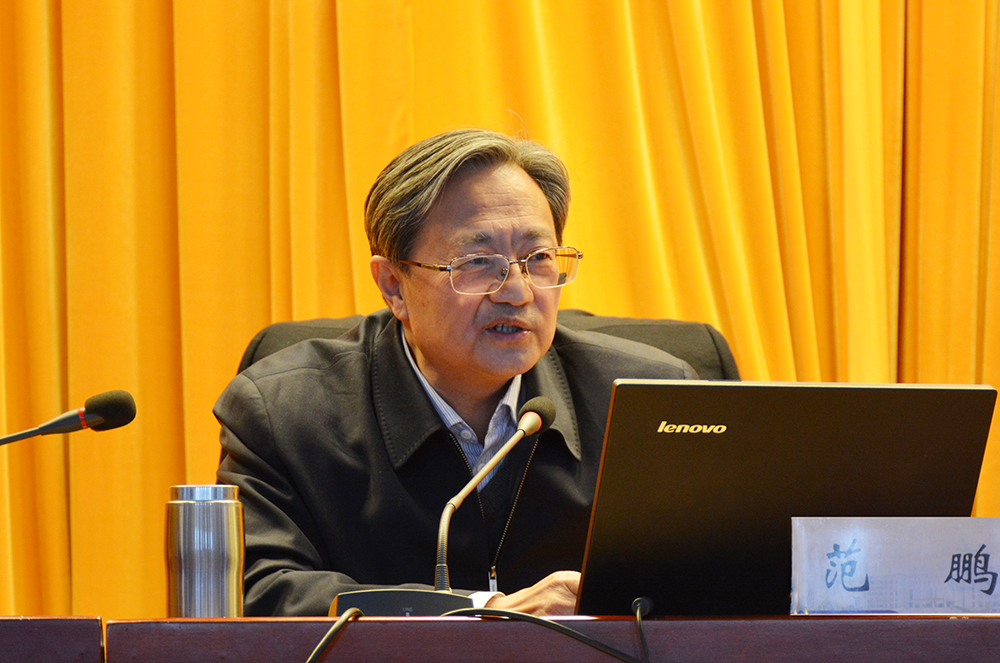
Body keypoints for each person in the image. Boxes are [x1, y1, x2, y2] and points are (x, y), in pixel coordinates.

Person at [215, 128, 697, 617]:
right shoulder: (283, 413)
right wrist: (482, 610)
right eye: (478, 262)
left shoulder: (654, 400)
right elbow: (259, 590)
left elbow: (715, 578)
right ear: (393, 286)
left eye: (538, 259)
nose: (518, 292)